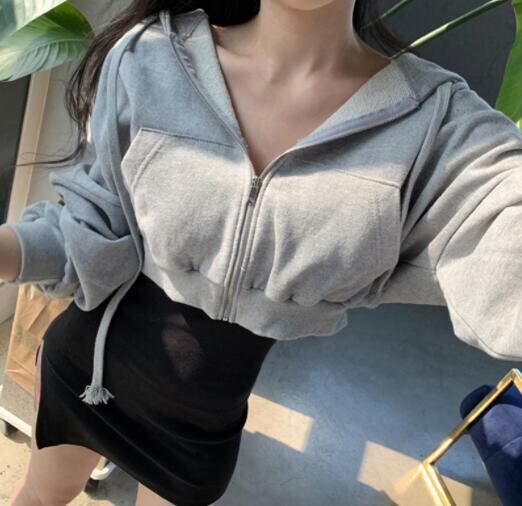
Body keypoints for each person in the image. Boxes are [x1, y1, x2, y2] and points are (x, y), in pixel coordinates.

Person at [2, 0, 521, 505]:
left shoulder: (436, 129)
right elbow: (90, 234)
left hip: (197, 432)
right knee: (40, 497)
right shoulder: (151, 56)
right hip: (86, 375)